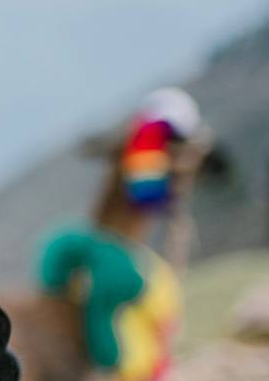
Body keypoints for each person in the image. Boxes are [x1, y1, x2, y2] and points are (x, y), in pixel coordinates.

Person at [37, 87, 208, 381]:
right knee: (139, 295)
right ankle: (121, 364)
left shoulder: (139, 145)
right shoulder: (148, 147)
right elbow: (145, 193)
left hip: (113, 236)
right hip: (118, 238)